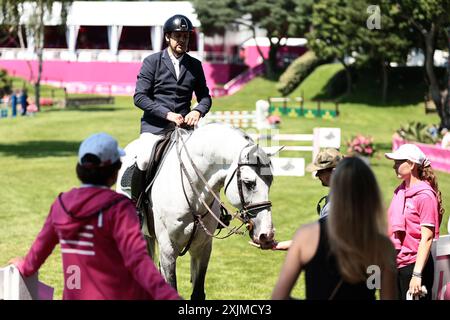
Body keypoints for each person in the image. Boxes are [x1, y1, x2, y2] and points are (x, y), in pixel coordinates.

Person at [9, 133, 180, 300]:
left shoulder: (61, 204)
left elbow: (39, 249)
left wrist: (24, 267)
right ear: (115, 172)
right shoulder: (119, 208)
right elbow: (138, 262)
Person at [272, 157, 397, 300]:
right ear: (371, 193)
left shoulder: (306, 235)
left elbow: (278, 297)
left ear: (335, 189)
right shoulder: (383, 246)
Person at [131, 14, 212, 203]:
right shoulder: (152, 61)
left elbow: (205, 97)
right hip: (155, 128)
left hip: (184, 130)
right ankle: (136, 206)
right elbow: (139, 97)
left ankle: (212, 209)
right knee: (143, 159)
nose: (182, 40)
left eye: (185, 36)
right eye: (178, 36)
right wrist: (167, 114)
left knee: (206, 163)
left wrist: (198, 110)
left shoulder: (195, 65)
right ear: (167, 37)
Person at [385, 143, 444, 300]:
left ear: (411, 165)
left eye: (398, 162)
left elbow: (427, 238)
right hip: (397, 263)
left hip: (415, 267)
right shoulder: (401, 191)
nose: (394, 166)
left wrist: (417, 274)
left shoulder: (425, 196)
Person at [272, 148, 343, 250]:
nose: (317, 174)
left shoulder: (339, 200)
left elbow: (320, 238)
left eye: (320, 171)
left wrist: (276, 245)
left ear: (334, 172)